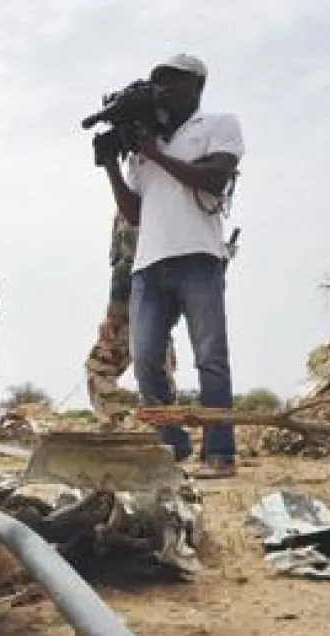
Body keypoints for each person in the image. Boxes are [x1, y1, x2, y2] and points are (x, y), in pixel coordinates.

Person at [99, 53, 243, 477]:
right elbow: (134, 213)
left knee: (210, 358)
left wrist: (154, 152)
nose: (162, 88)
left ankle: (220, 454)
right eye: (157, 81)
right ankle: (172, 446)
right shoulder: (143, 146)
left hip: (198, 255)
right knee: (145, 360)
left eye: (172, 81)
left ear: (197, 85)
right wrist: (111, 164)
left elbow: (215, 178)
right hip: (148, 262)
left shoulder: (218, 125)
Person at [85, 211, 176, 425]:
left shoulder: (135, 203)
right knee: (157, 372)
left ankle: (124, 424)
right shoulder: (163, 203)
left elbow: (128, 262)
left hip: (136, 307)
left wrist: (113, 315)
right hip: (160, 306)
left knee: (99, 367)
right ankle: (165, 429)